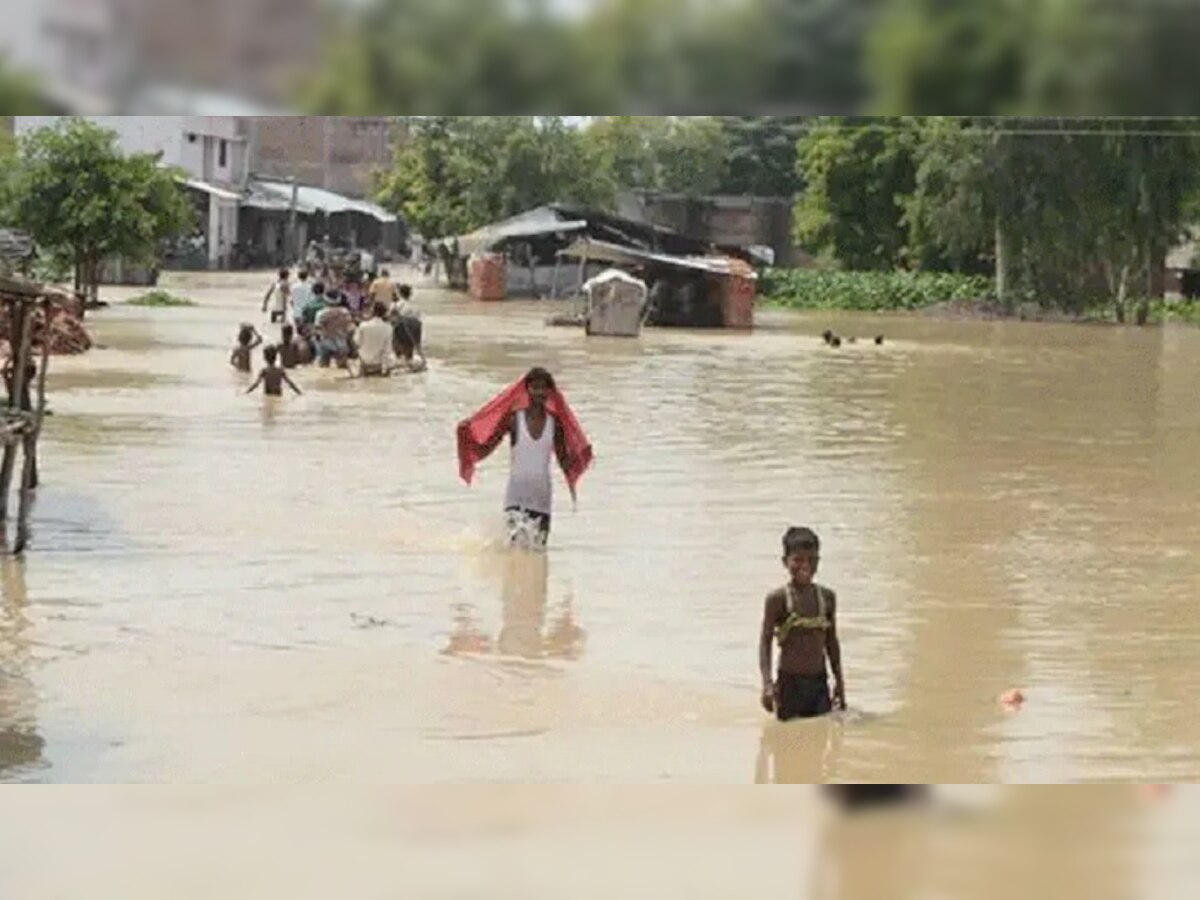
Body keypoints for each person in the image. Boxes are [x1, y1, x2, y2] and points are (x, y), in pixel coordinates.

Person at [457, 368, 593, 548]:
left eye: (544, 388)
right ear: (526, 390)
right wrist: (466, 434)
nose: (539, 393)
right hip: (516, 495)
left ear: (550, 391)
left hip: (541, 497)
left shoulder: (555, 423)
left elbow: (563, 461)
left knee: (538, 550)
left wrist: (582, 455)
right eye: (535, 388)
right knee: (513, 550)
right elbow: (487, 447)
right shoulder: (514, 419)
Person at [758, 527, 845, 722]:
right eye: (798, 560)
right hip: (790, 686)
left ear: (818, 561)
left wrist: (839, 683)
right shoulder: (778, 599)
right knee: (787, 744)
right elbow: (765, 642)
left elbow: (832, 643)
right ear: (785, 562)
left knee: (820, 738)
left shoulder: (827, 598)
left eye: (812, 560)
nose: (805, 566)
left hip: (819, 685)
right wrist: (767, 684)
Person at [353, 302, 396, 377]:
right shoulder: (388, 328)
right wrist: (386, 369)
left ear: (372, 311)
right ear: (384, 313)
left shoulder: (363, 325)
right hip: (378, 364)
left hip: (364, 363)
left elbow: (356, 343)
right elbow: (387, 350)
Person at [390, 284, 425, 369]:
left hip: (401, 330)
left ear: (400, 293)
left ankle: (399, 359)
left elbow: (391, 319)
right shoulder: (415, 306)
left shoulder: (396, 305)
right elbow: (419, 319)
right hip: (415, 330)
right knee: (412, 350)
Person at [314, 294, 354, 368]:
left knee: (324, 367)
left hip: (326, 343)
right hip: (342, 344)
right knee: (342, 369)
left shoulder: (321, 313)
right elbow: (351, 329)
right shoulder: (345, 312)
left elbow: (317, 330)